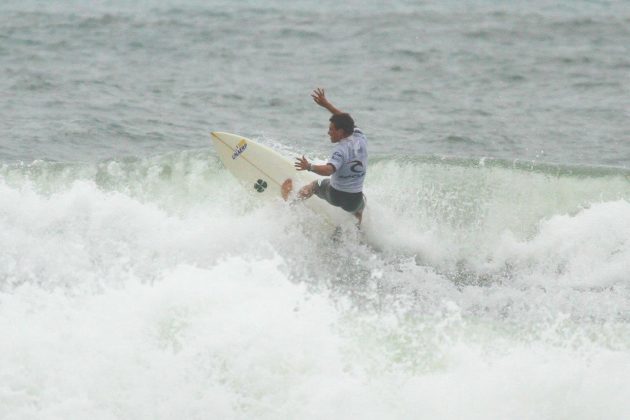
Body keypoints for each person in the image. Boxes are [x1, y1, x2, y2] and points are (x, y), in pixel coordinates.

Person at [281, 88, 368, 225]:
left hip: (336, 195)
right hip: (354, 199)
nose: (328, 133)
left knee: (314, 186)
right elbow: (347, 120)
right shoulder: (360, 137)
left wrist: (309, 166)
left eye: (331, 130)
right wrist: (326, 104)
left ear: (340, 131)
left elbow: (329, 170)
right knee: (360, 207)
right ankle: (354, 237)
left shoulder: (340, 150)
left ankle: (290, 206)